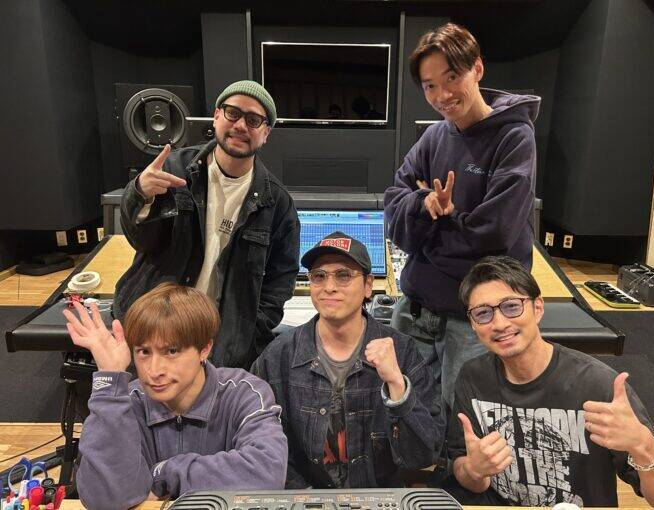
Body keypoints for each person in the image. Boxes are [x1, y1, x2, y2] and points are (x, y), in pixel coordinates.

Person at [384, 22, 541, 409]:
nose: (442, 95)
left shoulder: (513, 138)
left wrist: (426, 238)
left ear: (477, 69)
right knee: (405, 412)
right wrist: (424, 206)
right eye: (429, 85)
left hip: (474, 319)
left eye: (451, 77)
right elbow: (394, 212)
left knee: (465, 423)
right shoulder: (434, 137)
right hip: (417, 308)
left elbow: (494, 235)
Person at [446, 255, 654, 508]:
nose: (500, 323)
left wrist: (643, 446)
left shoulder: (598, 385)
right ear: (473, 324)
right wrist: (474, 470)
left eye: (512, 306)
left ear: (538, 308)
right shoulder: (473, 377)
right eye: (483, 313)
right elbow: (466, 471)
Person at [114, 80, 300, 369]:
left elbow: (281, 280)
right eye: (233, 113)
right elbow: (141, 240)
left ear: (266, 133)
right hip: (154, 329)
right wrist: (140, 194)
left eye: (254, 120)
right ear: (216, 116)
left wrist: (251, 331)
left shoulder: (277, 203)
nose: (241, 125)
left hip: (222, 344)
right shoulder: (172, 170)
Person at [66, 283, 287, 510]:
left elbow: (267, 474)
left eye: (171, 351)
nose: (154, 371)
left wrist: (165, 474)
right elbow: (102, 500)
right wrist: (109, 380)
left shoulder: (244, 393)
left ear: (204, 349)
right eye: (144, 351)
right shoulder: (124, 402)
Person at [251, 232, 444, 488]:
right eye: (319, 276)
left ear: (368, 285)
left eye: (343, 275)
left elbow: (423, 456)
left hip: (378, 498)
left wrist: (397, 386)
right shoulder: (278, 356)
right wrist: (303, 497)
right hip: (304, 499)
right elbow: (262, 447)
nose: (329, 286)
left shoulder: (403, 351)